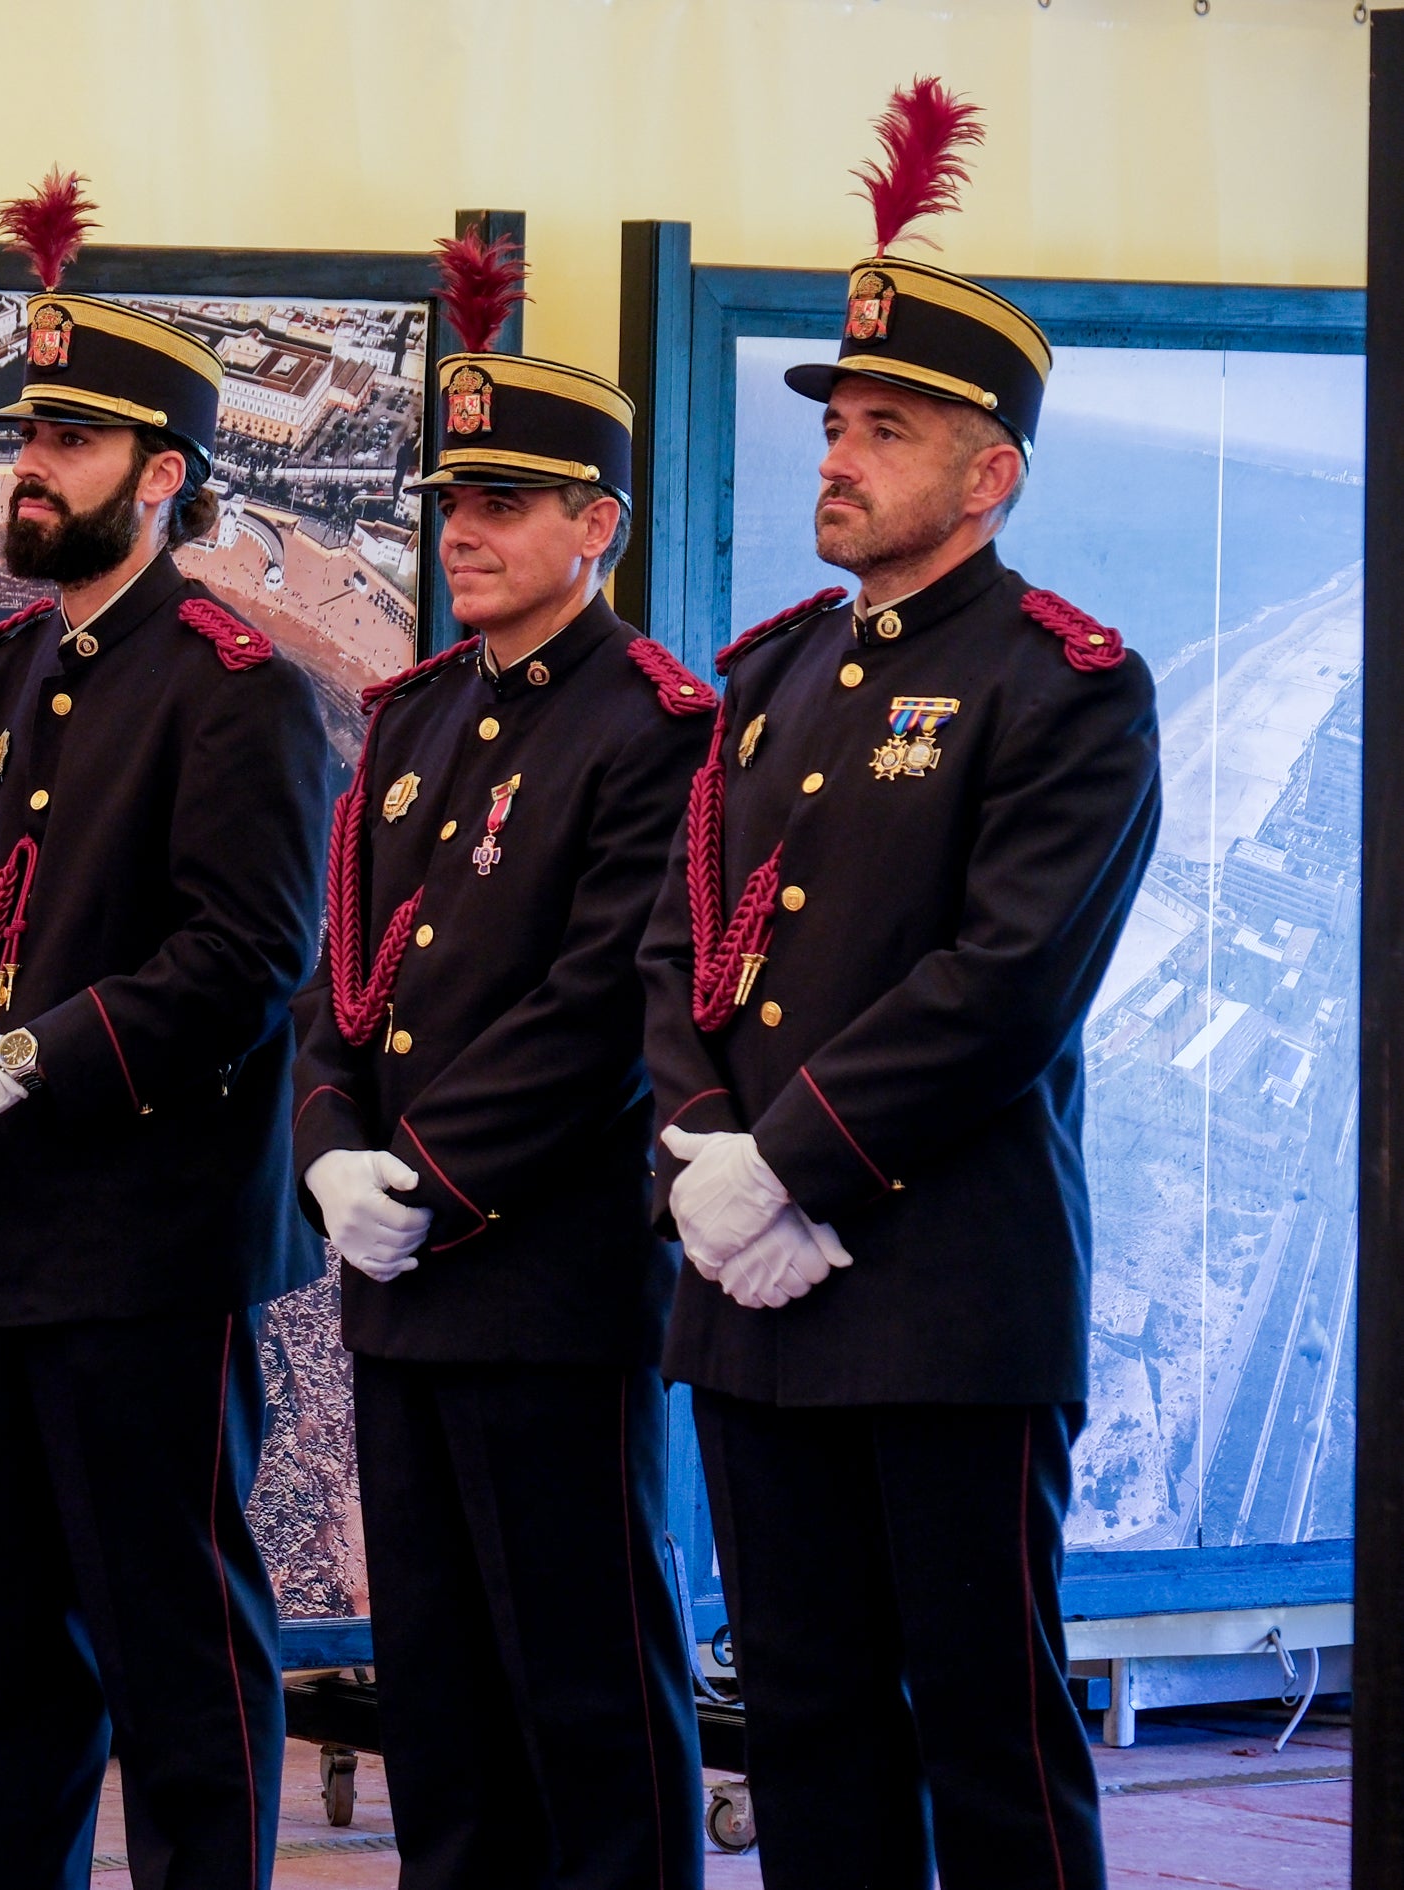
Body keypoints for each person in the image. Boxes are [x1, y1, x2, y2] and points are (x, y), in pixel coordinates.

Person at [638, 82, 1161, 1888]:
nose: (838, 455)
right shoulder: (774, 674)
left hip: (940, 1289)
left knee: (988, 1738)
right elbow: (680, 944)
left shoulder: (1065, 684)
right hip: (757, 1299)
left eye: (888, 426)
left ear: (990, 471)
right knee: (808, 1724)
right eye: (837, 421)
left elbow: (1004, 984)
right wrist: (706, 1161)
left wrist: (787, 1164)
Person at [0, 184, 327, 1890]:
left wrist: (20, 1061)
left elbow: (247, 959)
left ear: (164, 472)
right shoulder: (3, 673)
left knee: (176, 1650)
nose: (27, 463)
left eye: (70, 438)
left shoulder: (233, 683)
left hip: (151, 1246)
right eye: (27, 432)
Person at [291, 228, 707, 1890]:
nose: (461, 530)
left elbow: (601, 1003)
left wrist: (429, 1179)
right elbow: (350, 972)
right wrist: (328, 1141)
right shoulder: (409, 717)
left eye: (507, 504)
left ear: (595, 526)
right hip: (396, 1275)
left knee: (587, 1690)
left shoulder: (649, 721)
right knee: (443, 1700)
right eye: (452, 502)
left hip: (541, 1277)